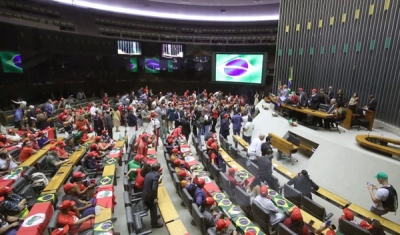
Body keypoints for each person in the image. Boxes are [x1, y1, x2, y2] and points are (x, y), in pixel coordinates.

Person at [142, 163, 163, 228]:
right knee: (153, 208)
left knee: (153, 208)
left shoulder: (148, 173)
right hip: (150, 196)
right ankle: (154, 224)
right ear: (158, 169)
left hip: (145, 194)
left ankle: (155, 217)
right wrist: (155, 198)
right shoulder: (155, 176)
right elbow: (154, 188)